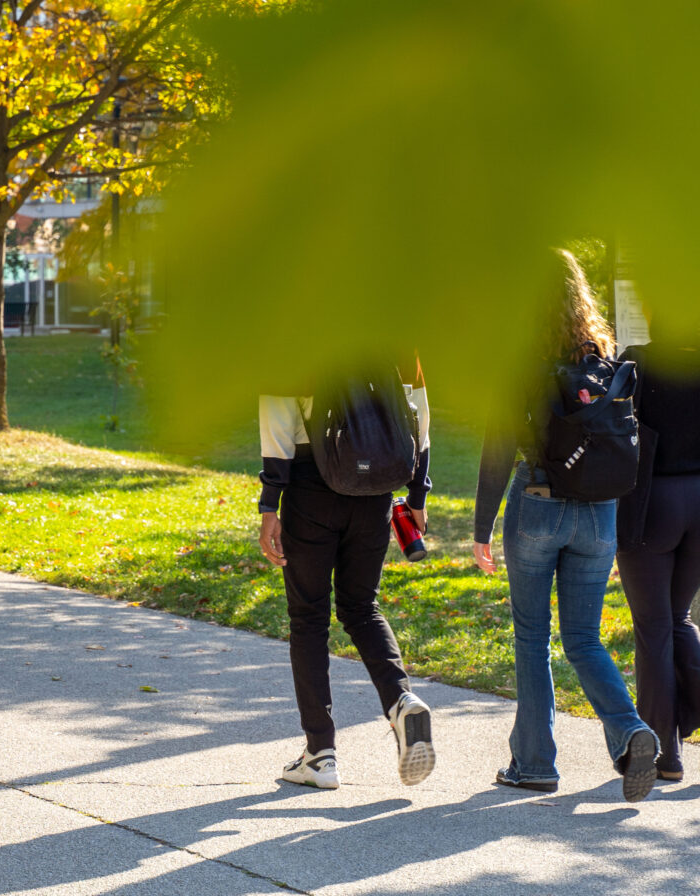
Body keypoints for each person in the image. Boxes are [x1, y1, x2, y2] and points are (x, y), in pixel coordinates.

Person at [473, 249, 659, 800]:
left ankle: (534, 764)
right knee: (583, 638)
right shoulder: (599, 357)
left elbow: (497, 447)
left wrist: (481, 528)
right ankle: (631, 730)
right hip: (600, 515)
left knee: (532, 638)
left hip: (537, 507)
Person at [258, 364, 436, 790]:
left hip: (311, 482)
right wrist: (416, 495)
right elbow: (419, 417)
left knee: (309, 617)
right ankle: (400, 700)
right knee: (360, 606)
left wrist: (269, 505)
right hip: (377, 484)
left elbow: (278, 420)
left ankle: (320, 754)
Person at [615, 322, 700, 782]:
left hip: (653, 501)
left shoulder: (637, 360)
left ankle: (662, 751)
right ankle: (669, 742)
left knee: (653, 628)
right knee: (678, 618)